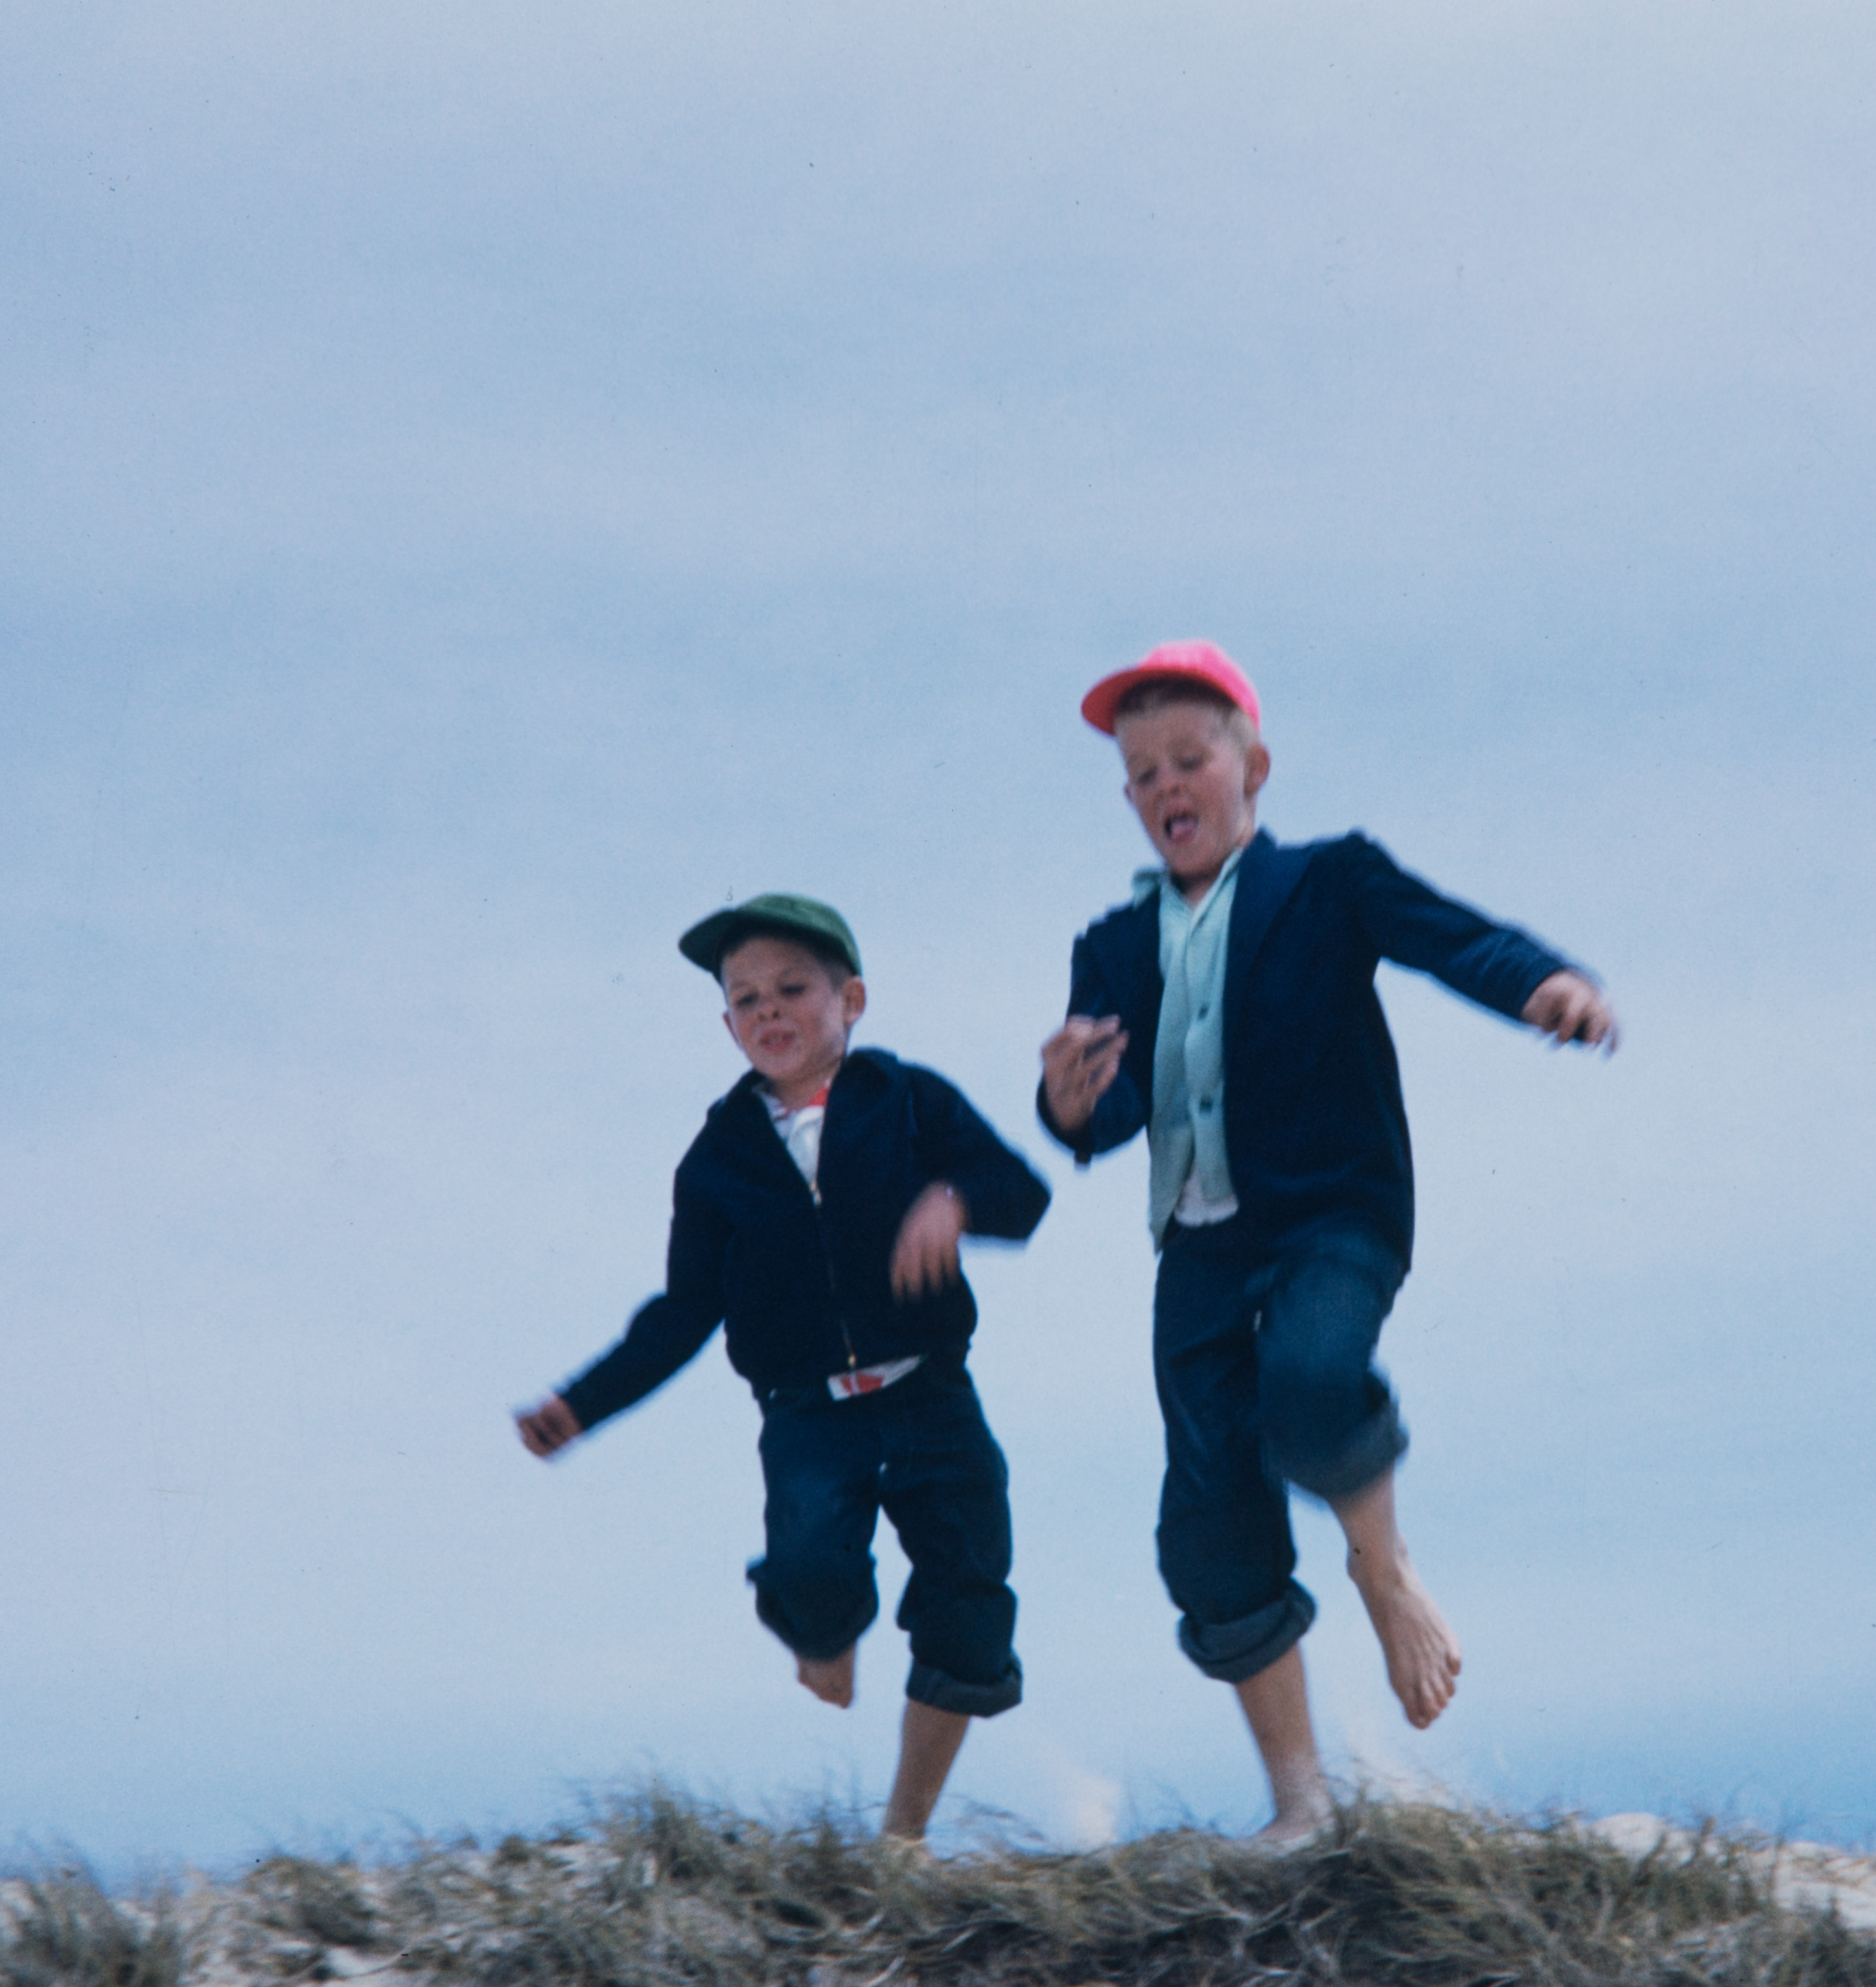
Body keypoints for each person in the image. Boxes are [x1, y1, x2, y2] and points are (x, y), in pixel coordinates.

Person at [1036, 643, 1617, 1842]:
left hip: (1333, 1218)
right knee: (1209, 1529)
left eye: (1190, 759)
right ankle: (1298, 1803)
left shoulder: (1328, 880)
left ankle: (1382, 1566)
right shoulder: (1112, 945)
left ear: (1254, 768)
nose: (1166, 785)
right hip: (1199, 1247)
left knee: (1307, 1382)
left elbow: (1452, 938)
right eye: (1142, 774)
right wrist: (1066, 1098)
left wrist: (1545, 984)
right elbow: (1108, 1115)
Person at [519, 893, 1050, 1843]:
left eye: (793, 989)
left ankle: (904, 1835)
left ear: (852, 1000)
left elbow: (1021, 1190)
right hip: (809, 1418)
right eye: (746, 998)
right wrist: (584, 1403)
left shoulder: (910, 1100)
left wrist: (955, 1200)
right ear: (728, 1026)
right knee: (810, 1576)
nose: (769, 1010)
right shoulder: (715, 1162)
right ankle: (822, 1635)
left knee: (971, 1607)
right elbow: (683, 1311)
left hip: (931, 1396)